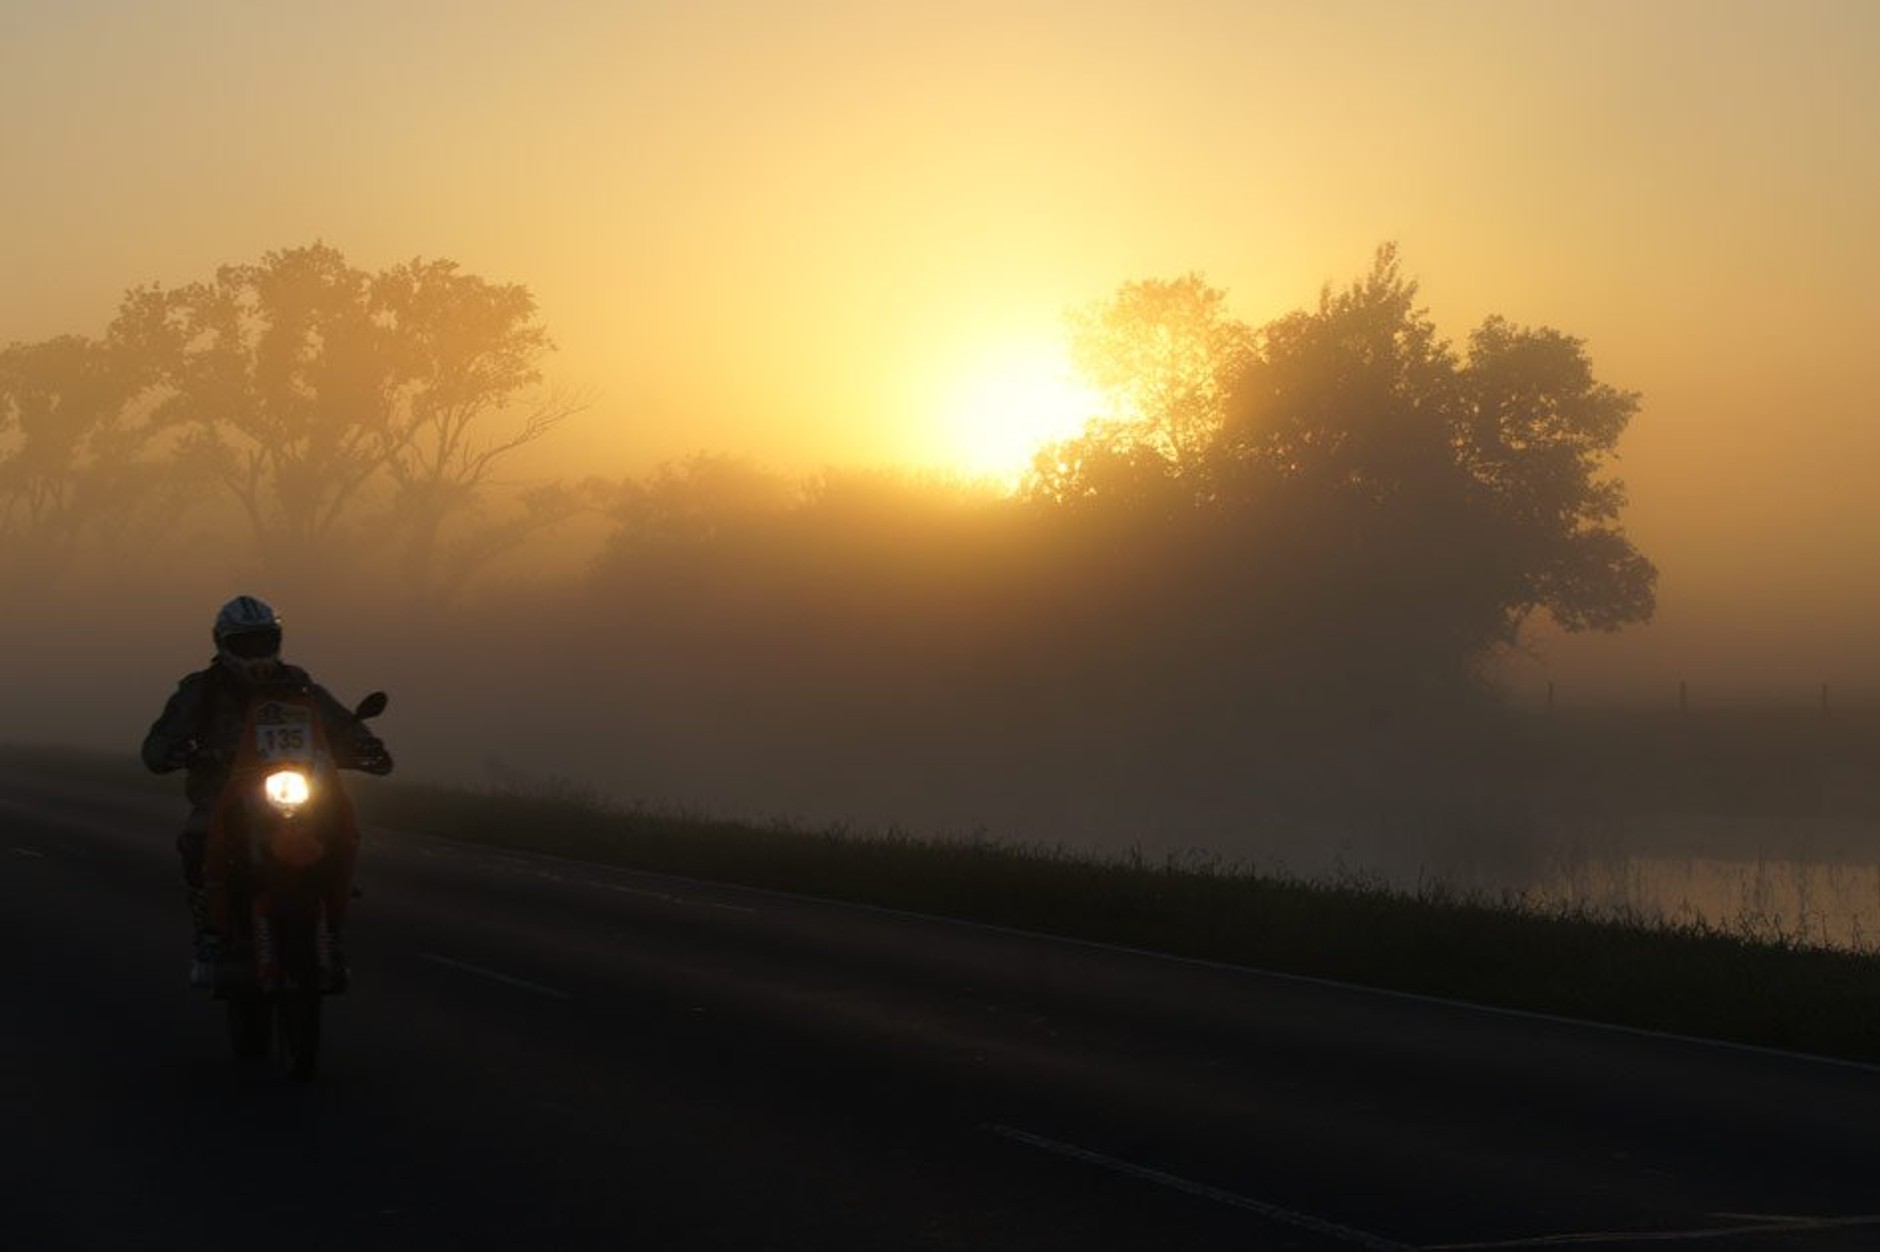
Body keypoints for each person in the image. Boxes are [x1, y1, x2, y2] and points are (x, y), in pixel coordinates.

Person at [141, 595, 392, 987]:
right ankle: (210, 930)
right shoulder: (202, 691)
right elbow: (158, 744)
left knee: (343, 829)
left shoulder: (299, 686)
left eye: (264, 641)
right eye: (246, 644)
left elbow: (338, 722)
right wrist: (178, 751)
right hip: (225, 794)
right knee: (196, 839)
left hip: (298, 789)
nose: (257, 653)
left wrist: (364, 746)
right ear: (222, 643)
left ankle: (331, 924)